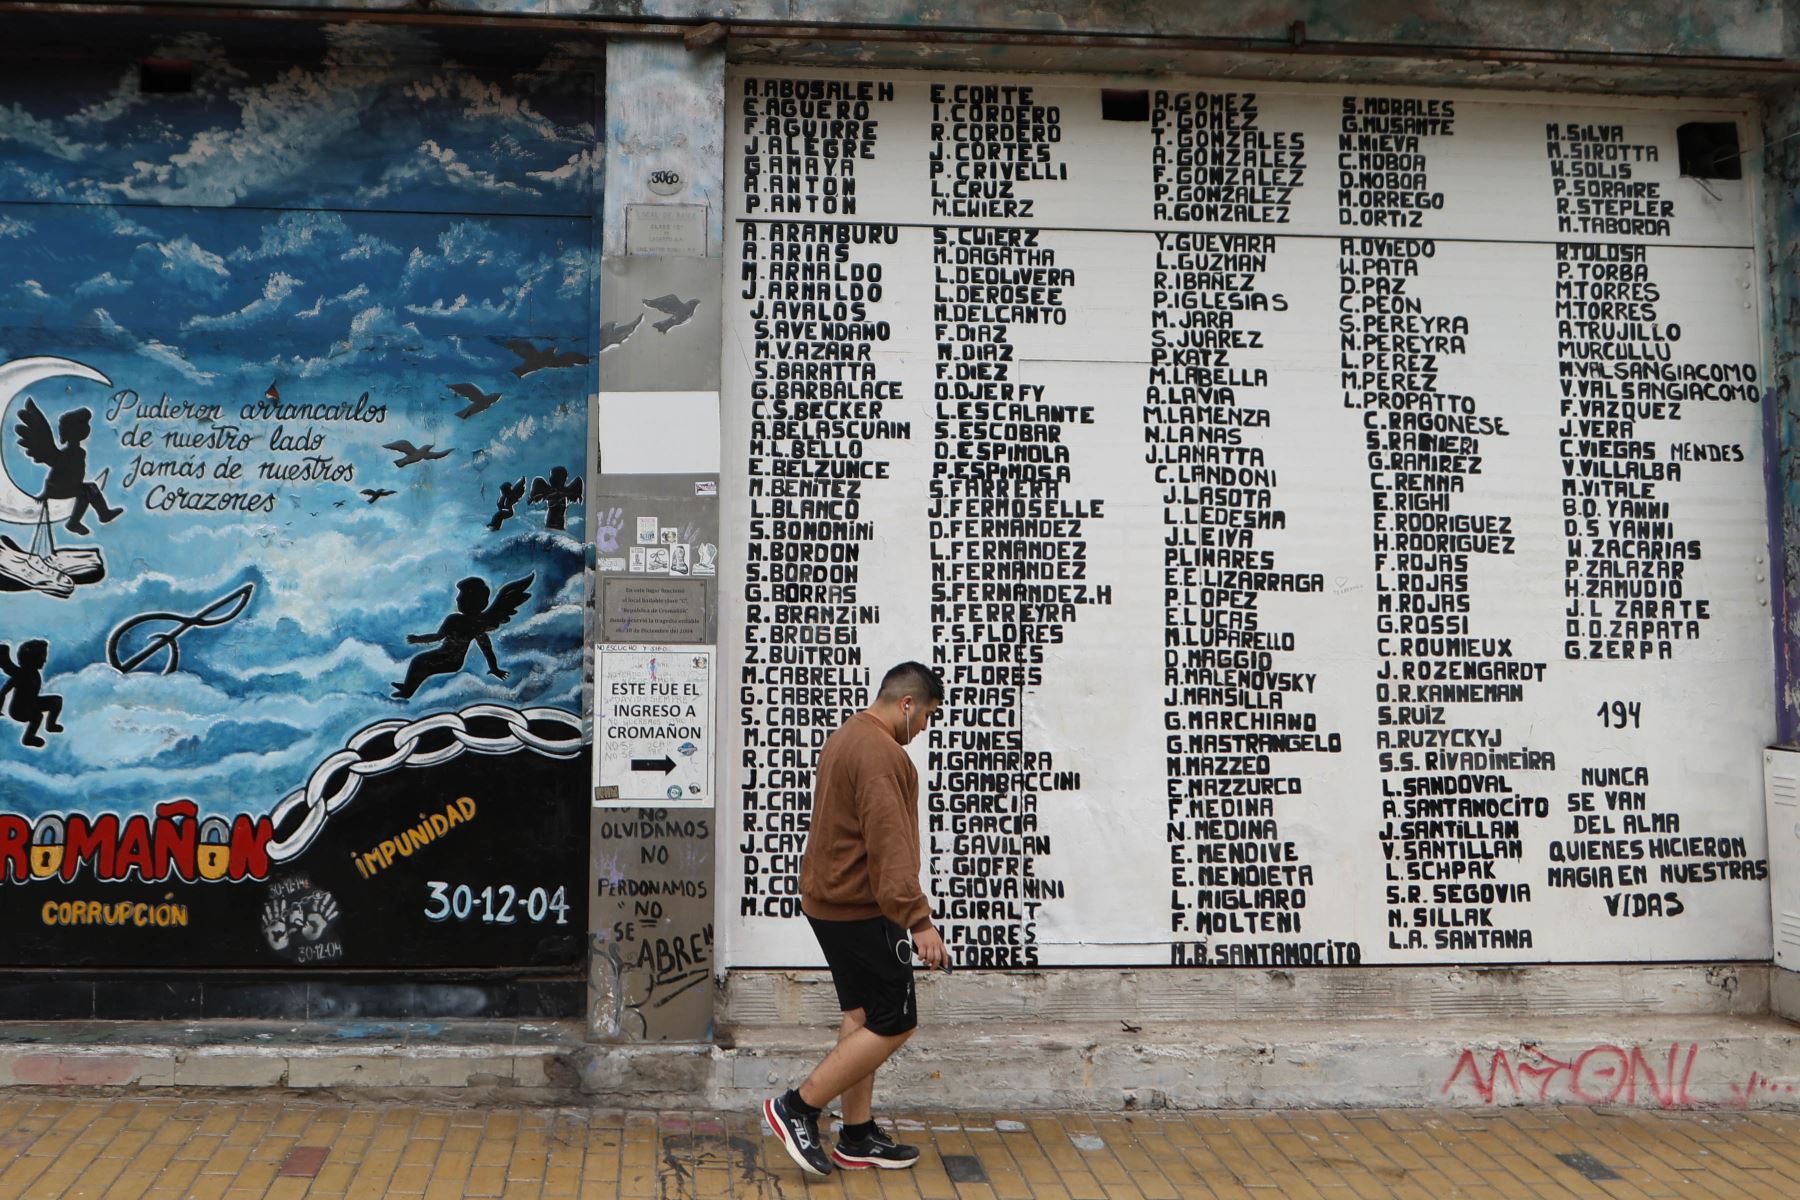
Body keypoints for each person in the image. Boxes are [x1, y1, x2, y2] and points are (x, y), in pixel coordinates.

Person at [762, 661, 948, 1176]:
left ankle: (858, 1134)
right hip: (863, 908)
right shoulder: (880, 752)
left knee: (863, 1014)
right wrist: (918, 921)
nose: (926, 728)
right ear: (906, 704)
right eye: (928, 715)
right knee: (896, 1019)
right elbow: (889, 843)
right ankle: (797, 1107)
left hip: (833, 902)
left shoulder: (847, 734)